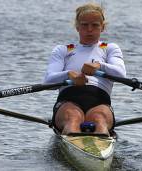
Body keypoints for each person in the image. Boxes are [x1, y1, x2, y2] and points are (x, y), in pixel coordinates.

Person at [44, 2, 126, 136]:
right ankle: (76, 147)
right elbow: (48, 83)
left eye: (95, 25)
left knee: (99, 119)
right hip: (68, 100)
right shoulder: (63, 50)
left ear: (102, 27)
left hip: (100, 101)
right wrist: (69, 75)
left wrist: (100, 66)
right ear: (77, 27)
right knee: (73, 118)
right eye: (84, 25)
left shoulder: (110, 48)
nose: (89, 29)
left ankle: (98, 150)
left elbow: (121, 75)